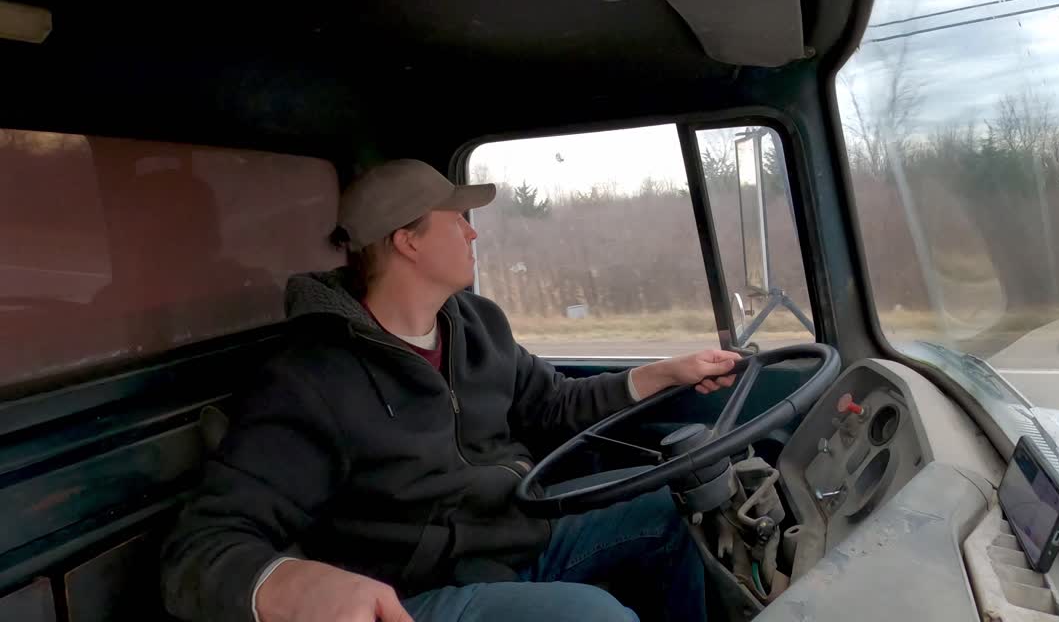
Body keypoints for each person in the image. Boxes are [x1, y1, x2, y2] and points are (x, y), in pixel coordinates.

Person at [160, 159, 741, 622]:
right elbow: (203, 547)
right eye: (455, 218)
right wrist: (287, 582)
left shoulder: (476, 323)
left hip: (519, 538)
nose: (472, 230)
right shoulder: (310, 378)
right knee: (596, 617)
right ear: (407, 241)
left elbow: (556, 403)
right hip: (418, 589)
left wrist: (668, 372)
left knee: (676, 504)